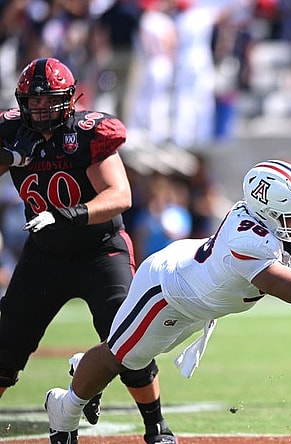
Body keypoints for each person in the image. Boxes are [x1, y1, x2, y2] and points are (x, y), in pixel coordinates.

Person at [44, 160, 291, 444]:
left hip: (202, 298)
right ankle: (64, 408)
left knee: (135, 356)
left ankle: (84, 370)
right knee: (121, 357)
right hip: (167, 293)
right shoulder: (248, 239)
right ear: (267, 214)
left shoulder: (280, 216)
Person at [0, 57, 173, 444]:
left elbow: (120, 195)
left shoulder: (85, 133)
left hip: (99, 250)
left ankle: (156, 427)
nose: (40, 108)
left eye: (48, 101)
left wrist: (69, 215)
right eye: (34, 101)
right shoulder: (11, 131)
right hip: (45, 253)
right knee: (7, 344)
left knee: (126, 336)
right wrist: (12, 157)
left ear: (68, 99)